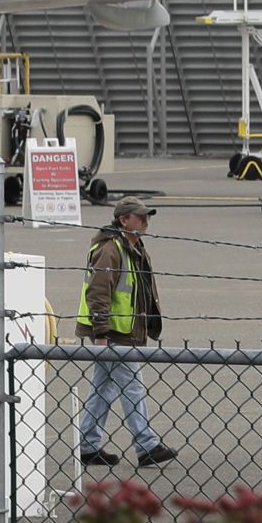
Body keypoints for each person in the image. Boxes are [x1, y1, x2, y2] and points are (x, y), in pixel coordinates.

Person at [74, 196, 176, 469]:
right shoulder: (111, 249)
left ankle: (88, 445)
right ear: (124, 220)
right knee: (132, 385)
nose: (145, 220)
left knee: (103, 388)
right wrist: (101, 334)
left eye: (146, 215)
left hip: (121, 331)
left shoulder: (133, 247)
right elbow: (98, 293)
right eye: (140, 216)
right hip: (113, 333)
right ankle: (147, 445)